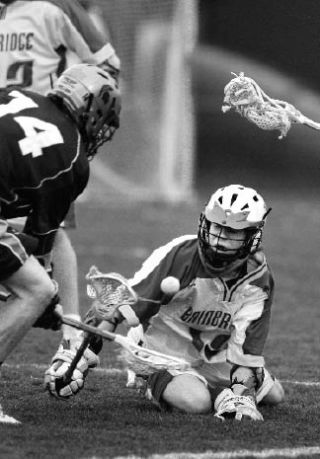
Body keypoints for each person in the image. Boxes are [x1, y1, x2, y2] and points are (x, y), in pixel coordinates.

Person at [47, 184, 284, 421]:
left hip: (215, 355)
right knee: (196, 402)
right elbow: (120, 304)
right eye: (216, 227)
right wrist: (78, 357)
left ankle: (224, 392)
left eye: (232, 232)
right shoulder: (180, 254)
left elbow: (246, 349)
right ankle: (150, 380)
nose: (219, 239)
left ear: (251, 237)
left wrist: (241, 392)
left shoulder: (258, 280)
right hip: (162, 352)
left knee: (275, 396)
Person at [0, 0, 121, 358]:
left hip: (21, 137)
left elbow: (108, 62)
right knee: (36, 285)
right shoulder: (71, 161)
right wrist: (44, 297)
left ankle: (67, 327)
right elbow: (39, 242)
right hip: (38, 151)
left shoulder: (57, 8)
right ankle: (67, 327)